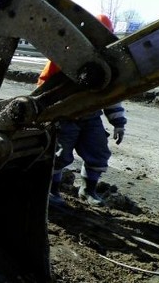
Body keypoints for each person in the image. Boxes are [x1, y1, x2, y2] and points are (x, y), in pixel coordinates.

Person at [38, 14, 127, 207]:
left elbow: (111, 94)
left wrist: (118, 122)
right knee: (59, 155)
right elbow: (44, 87)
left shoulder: (107, 62)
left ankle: (88, 190)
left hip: (91, 115)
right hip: (65, 114)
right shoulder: (65, 54)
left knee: (98, 152)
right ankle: (51, 191)